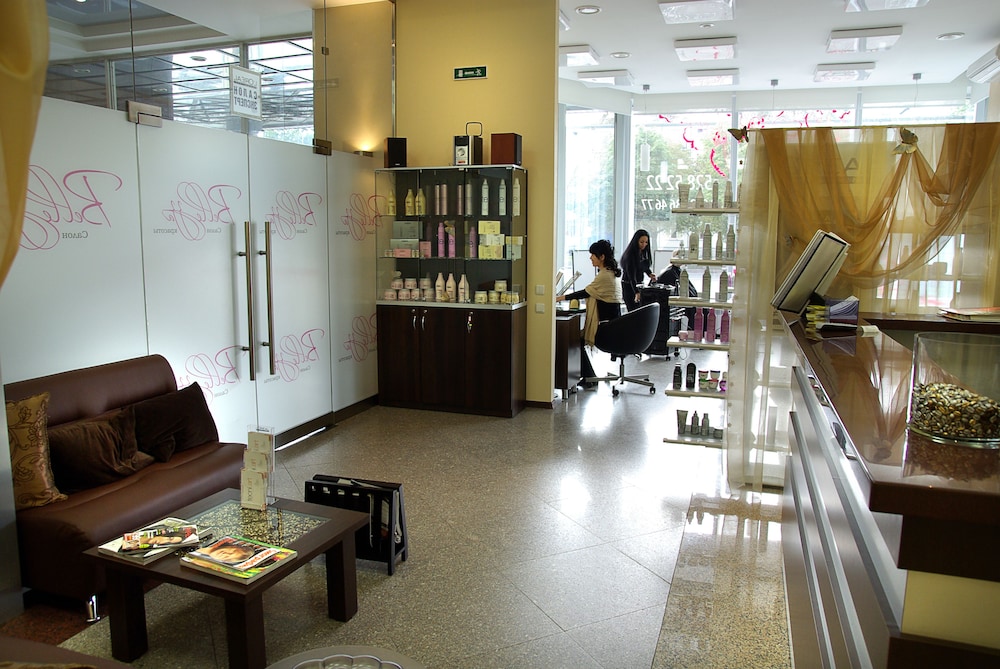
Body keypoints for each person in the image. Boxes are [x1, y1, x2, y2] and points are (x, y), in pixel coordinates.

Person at [555, 239, 623, 386]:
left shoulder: (604, 276)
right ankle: (588, 378)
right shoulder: (610, 273)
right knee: (576, 339)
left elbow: (586, 292)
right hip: (614, 326)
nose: (590, 257)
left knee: (574, 340)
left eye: (593, 254)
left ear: (602, 257)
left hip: (607, 329)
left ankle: (588, 379)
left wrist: (560, 298)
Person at [620, 229, 656, 311]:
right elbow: (631, 276)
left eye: (646, 242)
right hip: (629, 286)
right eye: (641, 242)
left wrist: (649, 274)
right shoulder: (630, 256)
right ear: (636, 241)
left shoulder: (642, 253)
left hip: (638, 285)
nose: (644, 244)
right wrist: (636, 292)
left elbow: (643, 266)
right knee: (633, 310)